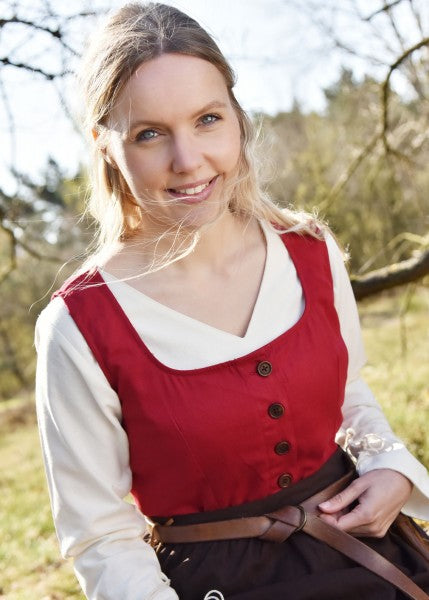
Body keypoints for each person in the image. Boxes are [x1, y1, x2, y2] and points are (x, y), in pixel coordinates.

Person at [35, 3, 429, 599]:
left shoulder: (308, 250)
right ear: (106, 146)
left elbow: (350, 398)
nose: (189, 161)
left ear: (237, 119)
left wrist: (390, 465)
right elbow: (100, 534)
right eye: (149, 133)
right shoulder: (79, 326)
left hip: (375, 555)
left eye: (208, 119)